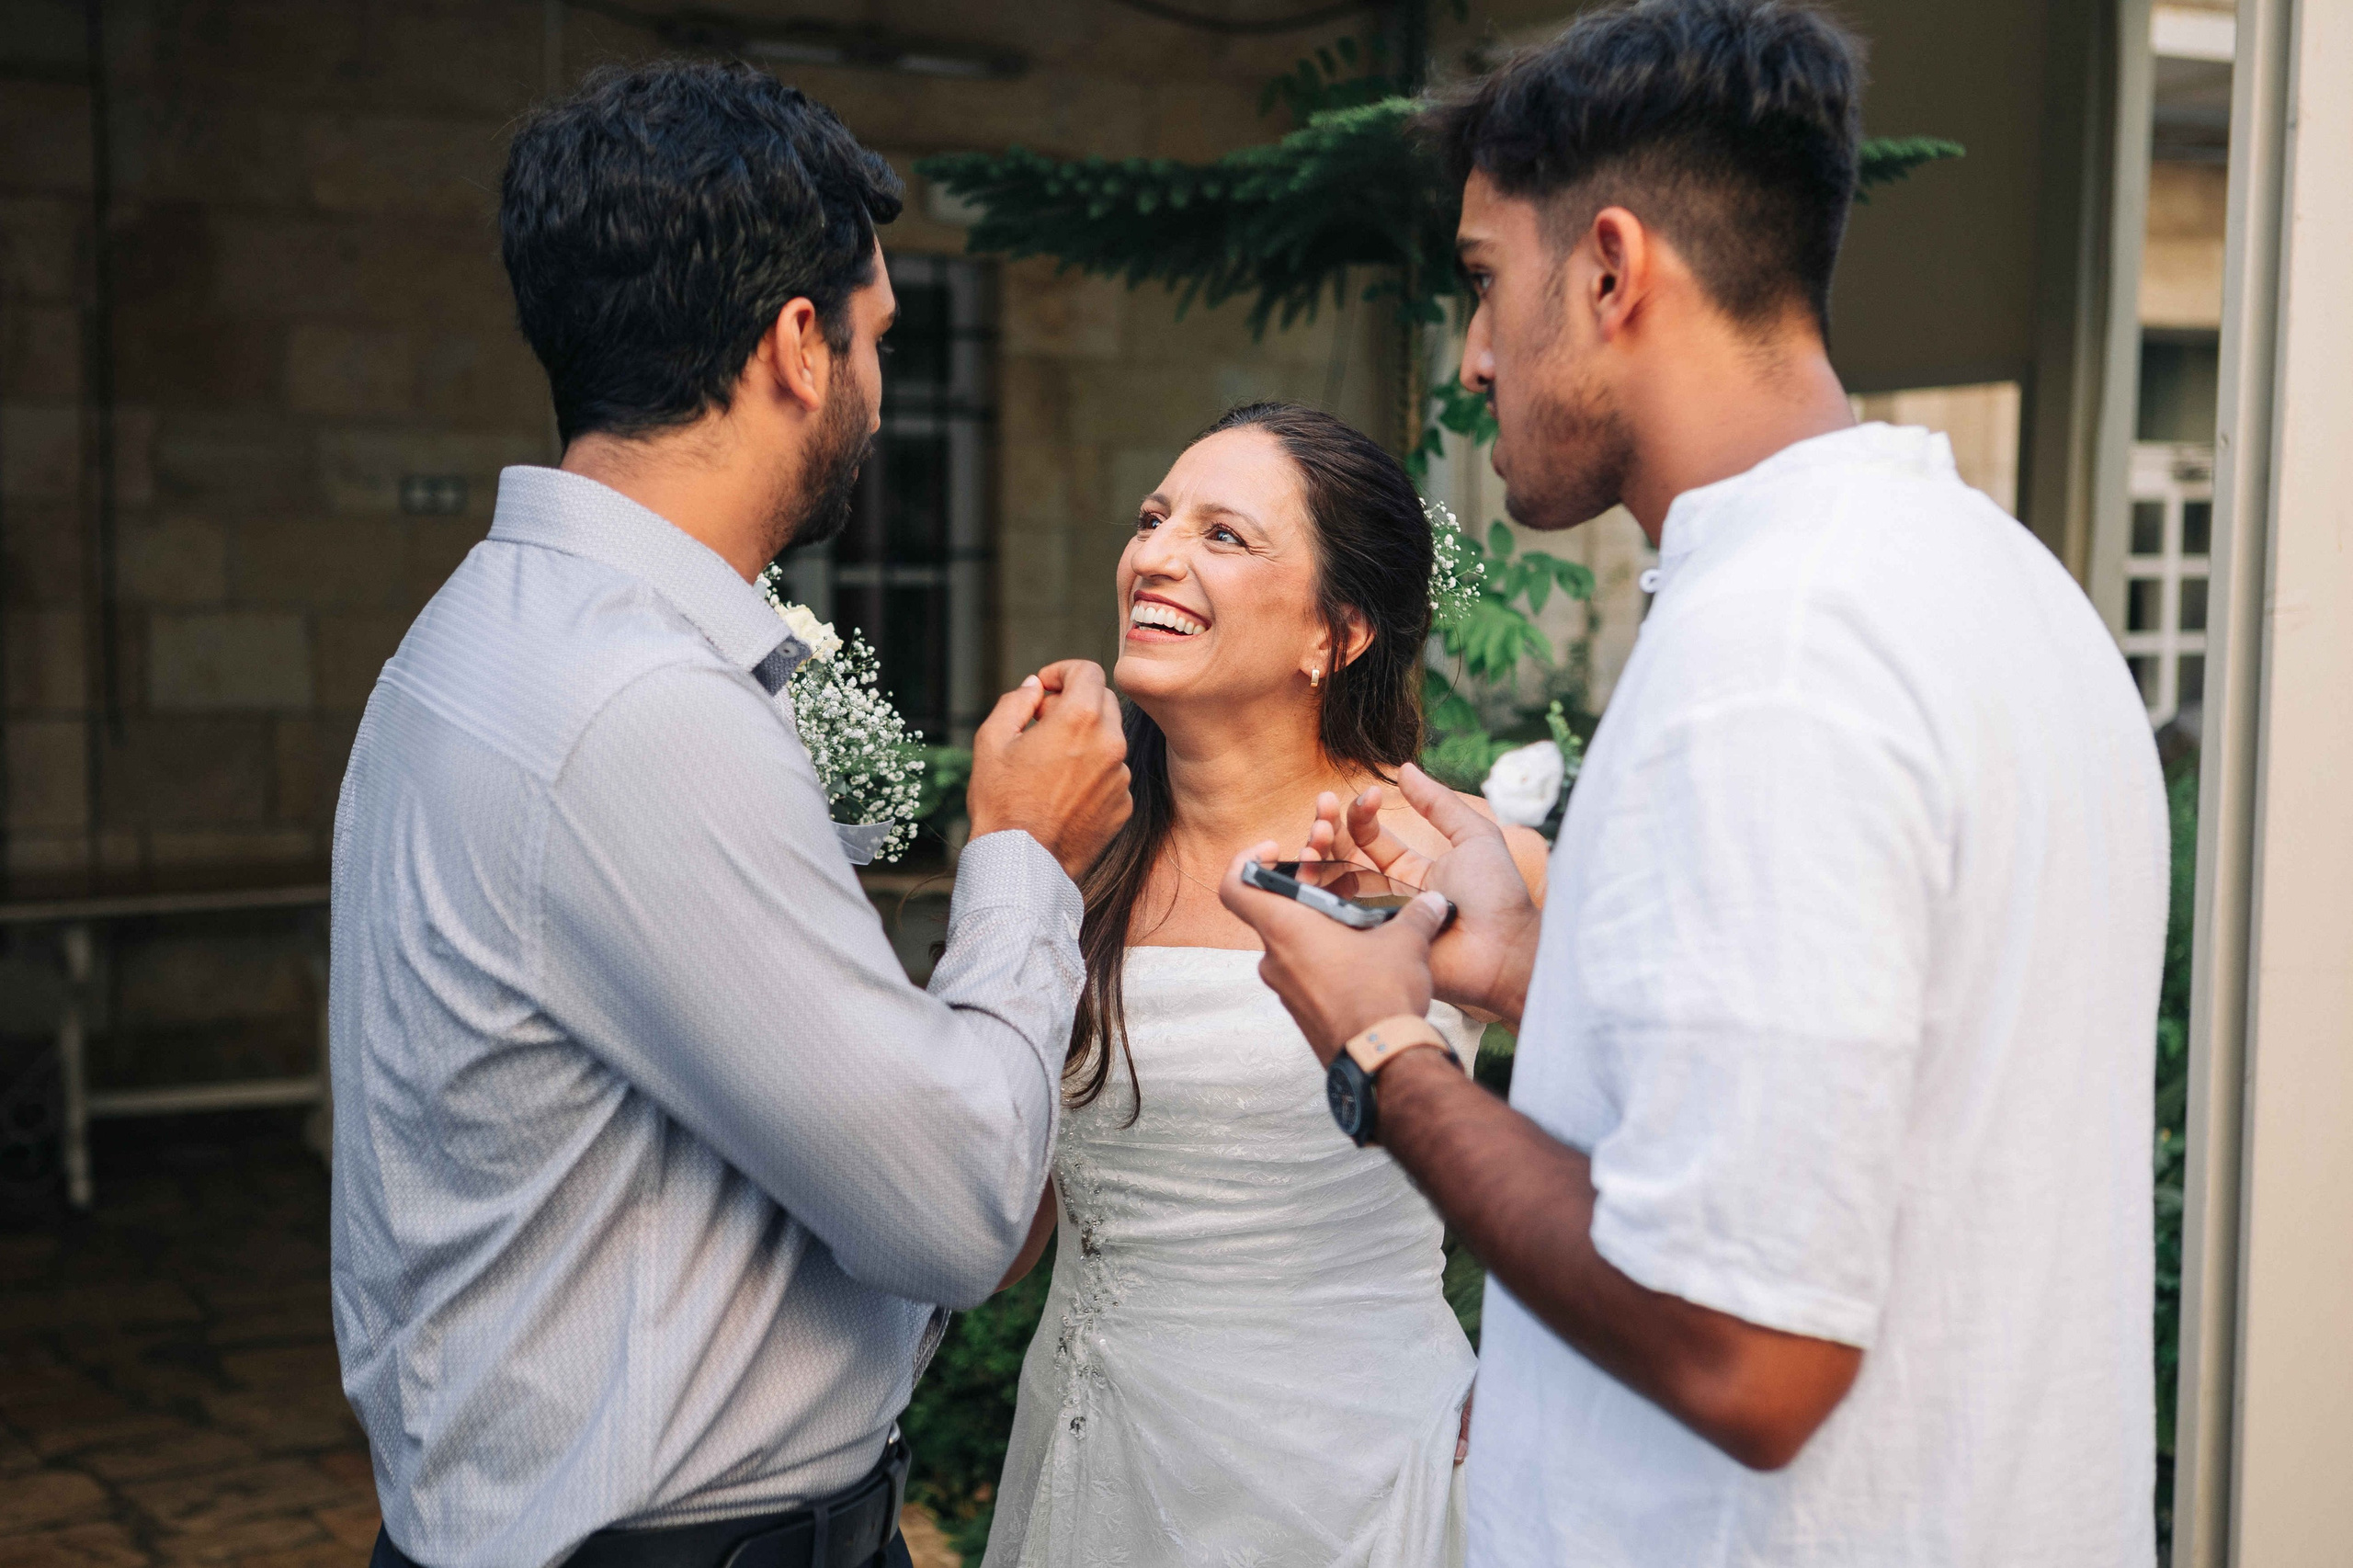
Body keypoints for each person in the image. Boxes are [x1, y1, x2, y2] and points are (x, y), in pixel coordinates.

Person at [1219, 4, 2169, 1566]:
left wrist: (1384, 1046)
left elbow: (1748, 1350)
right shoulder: (1996, 585)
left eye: (1481, 282)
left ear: (1608, 270)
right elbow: (1883, 1086)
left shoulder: (1773, 659)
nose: (1470, 359)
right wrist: (1538, 964)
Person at [329, 62, 1131, 1568]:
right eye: (879, 341)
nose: (883, 397)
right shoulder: (640, 708)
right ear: (797, 349)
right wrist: (1023, 856)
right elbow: (948, 1210)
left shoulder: (480, 636)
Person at [981, 403, 1550, 1568]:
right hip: (1097, 1474)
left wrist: (1555, 1377)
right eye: (1153, 519)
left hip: (1354, 1487)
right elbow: (997, 1233)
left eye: (1222, 534)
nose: (1155, 553)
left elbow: (1678, 1133)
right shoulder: (1074, 855)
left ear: (1335, 633)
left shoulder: (1463, 859)